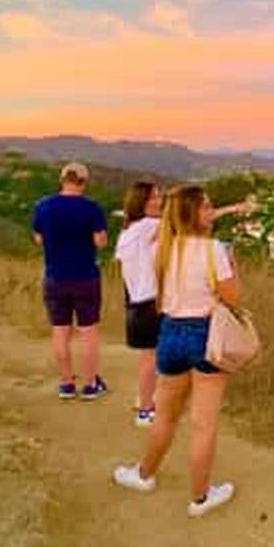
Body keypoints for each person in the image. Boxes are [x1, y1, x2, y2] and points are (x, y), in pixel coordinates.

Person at [112, 184, 243, 518]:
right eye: (206, 207)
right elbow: (234, 298)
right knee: (204, 423)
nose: (211, 212)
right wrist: (232, 265)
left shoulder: (162, 249)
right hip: (205, 335)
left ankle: (144, 474)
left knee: (166, 415)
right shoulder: (215, 250)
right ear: (192, 213)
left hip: (169, 333)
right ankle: (200, 498)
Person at [32, 161, 109, 400]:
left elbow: (38, 239)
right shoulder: (91, 208)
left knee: (60, 331)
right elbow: (101, 242)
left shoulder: (43, 206)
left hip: (55, 276)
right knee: (88, 332)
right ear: (83, 183)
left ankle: (66, 384)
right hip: (85, 276)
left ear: (62, 179)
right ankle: (89, 385)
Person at [115, 180, 164, 427]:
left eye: (159, 197)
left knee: (149, 356)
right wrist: (231, 210)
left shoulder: (127, 231)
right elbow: (188, 221)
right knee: (152, 357)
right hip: (149, 302)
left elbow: (124, 270)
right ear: (140, 202)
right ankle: (146, 409)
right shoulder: (149, 226)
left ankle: (146, 399)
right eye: (153, 198)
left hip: (135, 301)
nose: (159, 202)